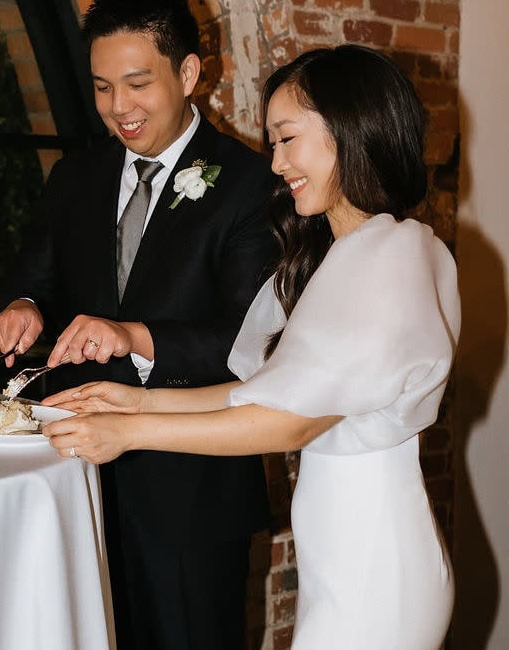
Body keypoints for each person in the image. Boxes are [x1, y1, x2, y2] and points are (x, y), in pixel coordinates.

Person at [42, 44, 459, 649]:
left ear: (348, 130)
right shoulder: (344, 254)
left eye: (288, 140)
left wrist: (129, 435)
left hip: (377, 566)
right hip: (346, 558)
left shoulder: (390, 254)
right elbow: (263, 394)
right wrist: (138, 404)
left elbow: (289, 424)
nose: (276, 163)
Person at [0, 0, 277, 648]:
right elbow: (32, 280)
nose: (117, 107)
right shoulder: (74, 178)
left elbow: (248, 344)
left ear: (187, 72)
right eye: (100, 87)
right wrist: (22, 308)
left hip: (189, 497)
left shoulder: (251, 186)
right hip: (69, 484)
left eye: (136, 83)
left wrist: (131, 334)